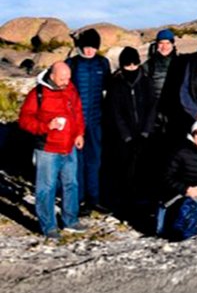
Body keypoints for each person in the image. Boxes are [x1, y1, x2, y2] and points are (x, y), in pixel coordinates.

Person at [18, 61, 86, 238]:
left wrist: (79, 133)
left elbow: (78, 113)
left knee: (71, 184)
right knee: (46, 188)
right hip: (47, 148)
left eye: (68, 78)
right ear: (52, 76)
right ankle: (48, 226)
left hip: (69, 146)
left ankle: (70, 220)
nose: (66, 81)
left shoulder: (71, 89)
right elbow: (24, 120)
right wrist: (46, 126)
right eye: (63, 78)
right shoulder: (38, 94)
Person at [102, 46, 156, 221]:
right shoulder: (116, 84)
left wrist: (146, 132)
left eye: (134, 65)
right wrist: (126, 135)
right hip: (124, 136)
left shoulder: (146, 82)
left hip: (145, 134)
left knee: (145, 169)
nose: (132, 68)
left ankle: (146, 204)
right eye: (128, 65)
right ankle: (126, 205)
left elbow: (152, 107)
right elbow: (115, 112)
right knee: (125, 171)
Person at [67, 27, 109, 211]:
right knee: (77, 162)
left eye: (93, 46)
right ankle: (79, 199)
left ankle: (94, 198)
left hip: (96, 120)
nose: (89, 50)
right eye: (86, 46)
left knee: (95, 160)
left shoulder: (103, 63)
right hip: (75, 121)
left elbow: (110, 88)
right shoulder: (72, 63)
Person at [160, 116, 197, 240]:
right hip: (177, 191)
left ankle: (193, 225)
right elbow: (166, 177)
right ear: (192, 132)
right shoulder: (180, 150)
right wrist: (186, 189)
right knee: (161, 230)